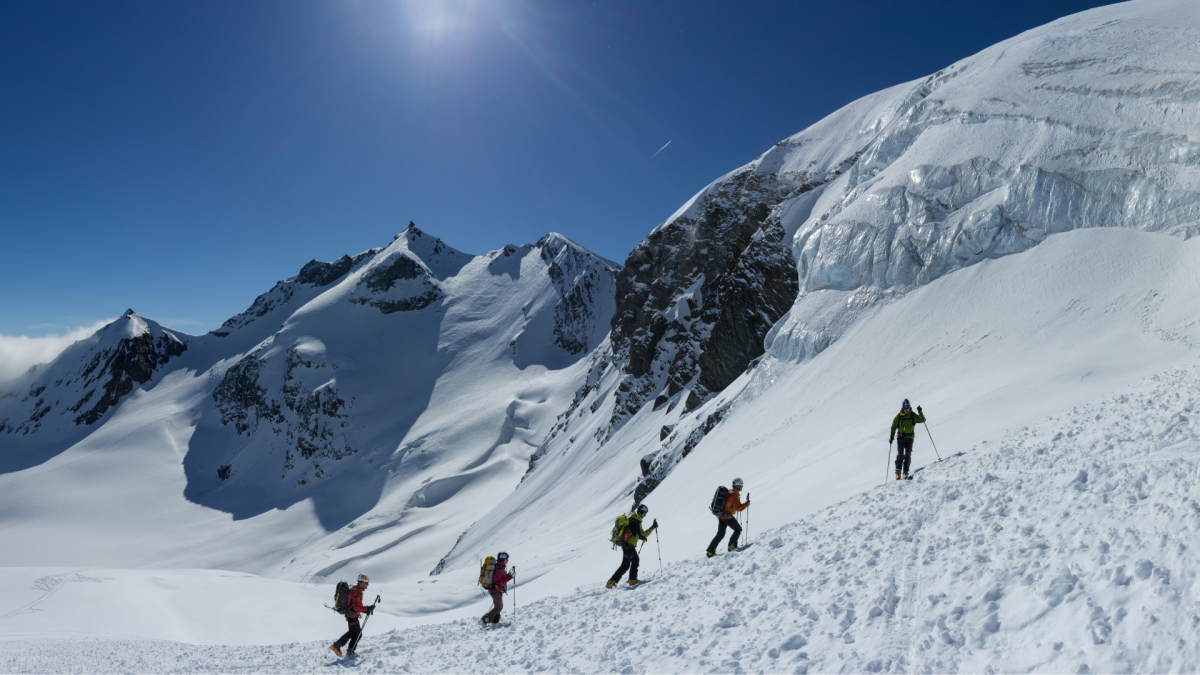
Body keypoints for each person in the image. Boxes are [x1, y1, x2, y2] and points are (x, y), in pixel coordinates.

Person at [607, 504, 657, 588]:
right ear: (641, 513)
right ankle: (611, 582)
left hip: (628, 545)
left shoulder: (632, 519)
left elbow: (635, 533)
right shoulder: (636, 522)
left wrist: (641, 537)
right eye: (644, 514)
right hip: (629, 547)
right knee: (625, 565)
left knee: (635, 561)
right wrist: (653, 527)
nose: (645, 516)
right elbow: (642, 534)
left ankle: (632, 580)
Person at [330, 574, 375, 657]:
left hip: (352, 615)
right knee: (358, 635)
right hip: (352, 617)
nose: (367, 585)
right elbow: (355, 607)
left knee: (352, 633)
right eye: (366, 583)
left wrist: (365, 610)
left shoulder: (357, 590)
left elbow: (354, 605)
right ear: (361, 583)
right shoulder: (356, 591)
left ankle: (336, 646)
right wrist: (367, 608)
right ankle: (350, 651)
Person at [707, 477, 749, 557]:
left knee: (720, 534)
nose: (742, 487)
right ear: (737, 486)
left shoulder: (730, 491)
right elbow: (738, 508)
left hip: (721, 516)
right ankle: (731, 546)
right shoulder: (734, 495)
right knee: (738, 529)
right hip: (728, 517)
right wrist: (747, 504)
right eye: (741, 485)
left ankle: (710, 551)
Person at [889, 399, 926, 480]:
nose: (906, 409)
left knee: (908, 454)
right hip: (901, 437)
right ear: (902, 407)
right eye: (905, 407)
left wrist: (920, 412)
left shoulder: (912, 415)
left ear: (909, 407)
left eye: (907, 407)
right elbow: (893, 426)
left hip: (910, 437)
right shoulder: (899, 416)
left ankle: (905, 472)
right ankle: (898, 472)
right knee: (900, 454)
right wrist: (891, 437)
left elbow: (922, 420)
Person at [481, 552, 514, 626]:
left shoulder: (500, 567)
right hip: (495, 591)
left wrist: (508, 575)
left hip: (496, 590)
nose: (507, 561)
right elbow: (501, 582)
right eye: (506, 559)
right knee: (498, 607)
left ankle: (495, 622)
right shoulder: (500, 569)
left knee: (499, 606)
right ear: (503, 560)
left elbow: (500, 579)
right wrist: (510, 577)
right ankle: (483, 621)